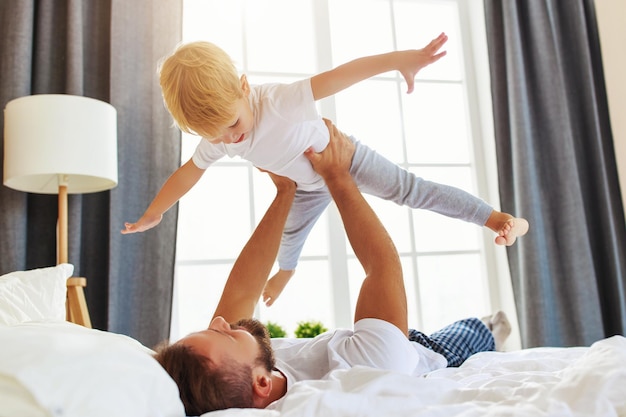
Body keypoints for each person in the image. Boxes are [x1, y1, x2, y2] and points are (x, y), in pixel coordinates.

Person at [122, 33, 529, 307]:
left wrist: (401, 60)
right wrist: (155, 211)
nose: (229, 140)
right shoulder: (218, 139)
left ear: (244, 87)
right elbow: (189, 172)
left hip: (344, 161)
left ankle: (498, 219)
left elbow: (341, 76)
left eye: (232, 125)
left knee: (410, 190)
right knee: (289, 237)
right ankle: (286, 272)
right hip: (307, 186)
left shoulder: (278, 101)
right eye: (215, 135)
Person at [153, 120, 512, 415]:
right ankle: (492, 330)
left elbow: (242, 290)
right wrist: (339, 177)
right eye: (222, 334)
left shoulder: (233, 376)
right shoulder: (366, 372)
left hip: (376, 338)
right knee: (484, 329)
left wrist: (285, 193)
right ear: (262, 385)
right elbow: (381, 266)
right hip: (422, 351)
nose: (218, 322)